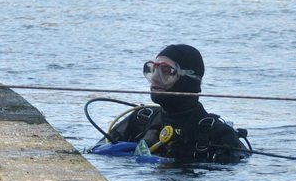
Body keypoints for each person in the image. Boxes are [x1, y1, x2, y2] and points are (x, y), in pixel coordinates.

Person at [106, 44, 249, 163]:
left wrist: (187, 160)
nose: (155, 78)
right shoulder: (140, 120)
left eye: (166, 71)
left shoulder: (219, 134)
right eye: (152, 70)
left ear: (188, 80)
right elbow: (96, 153)